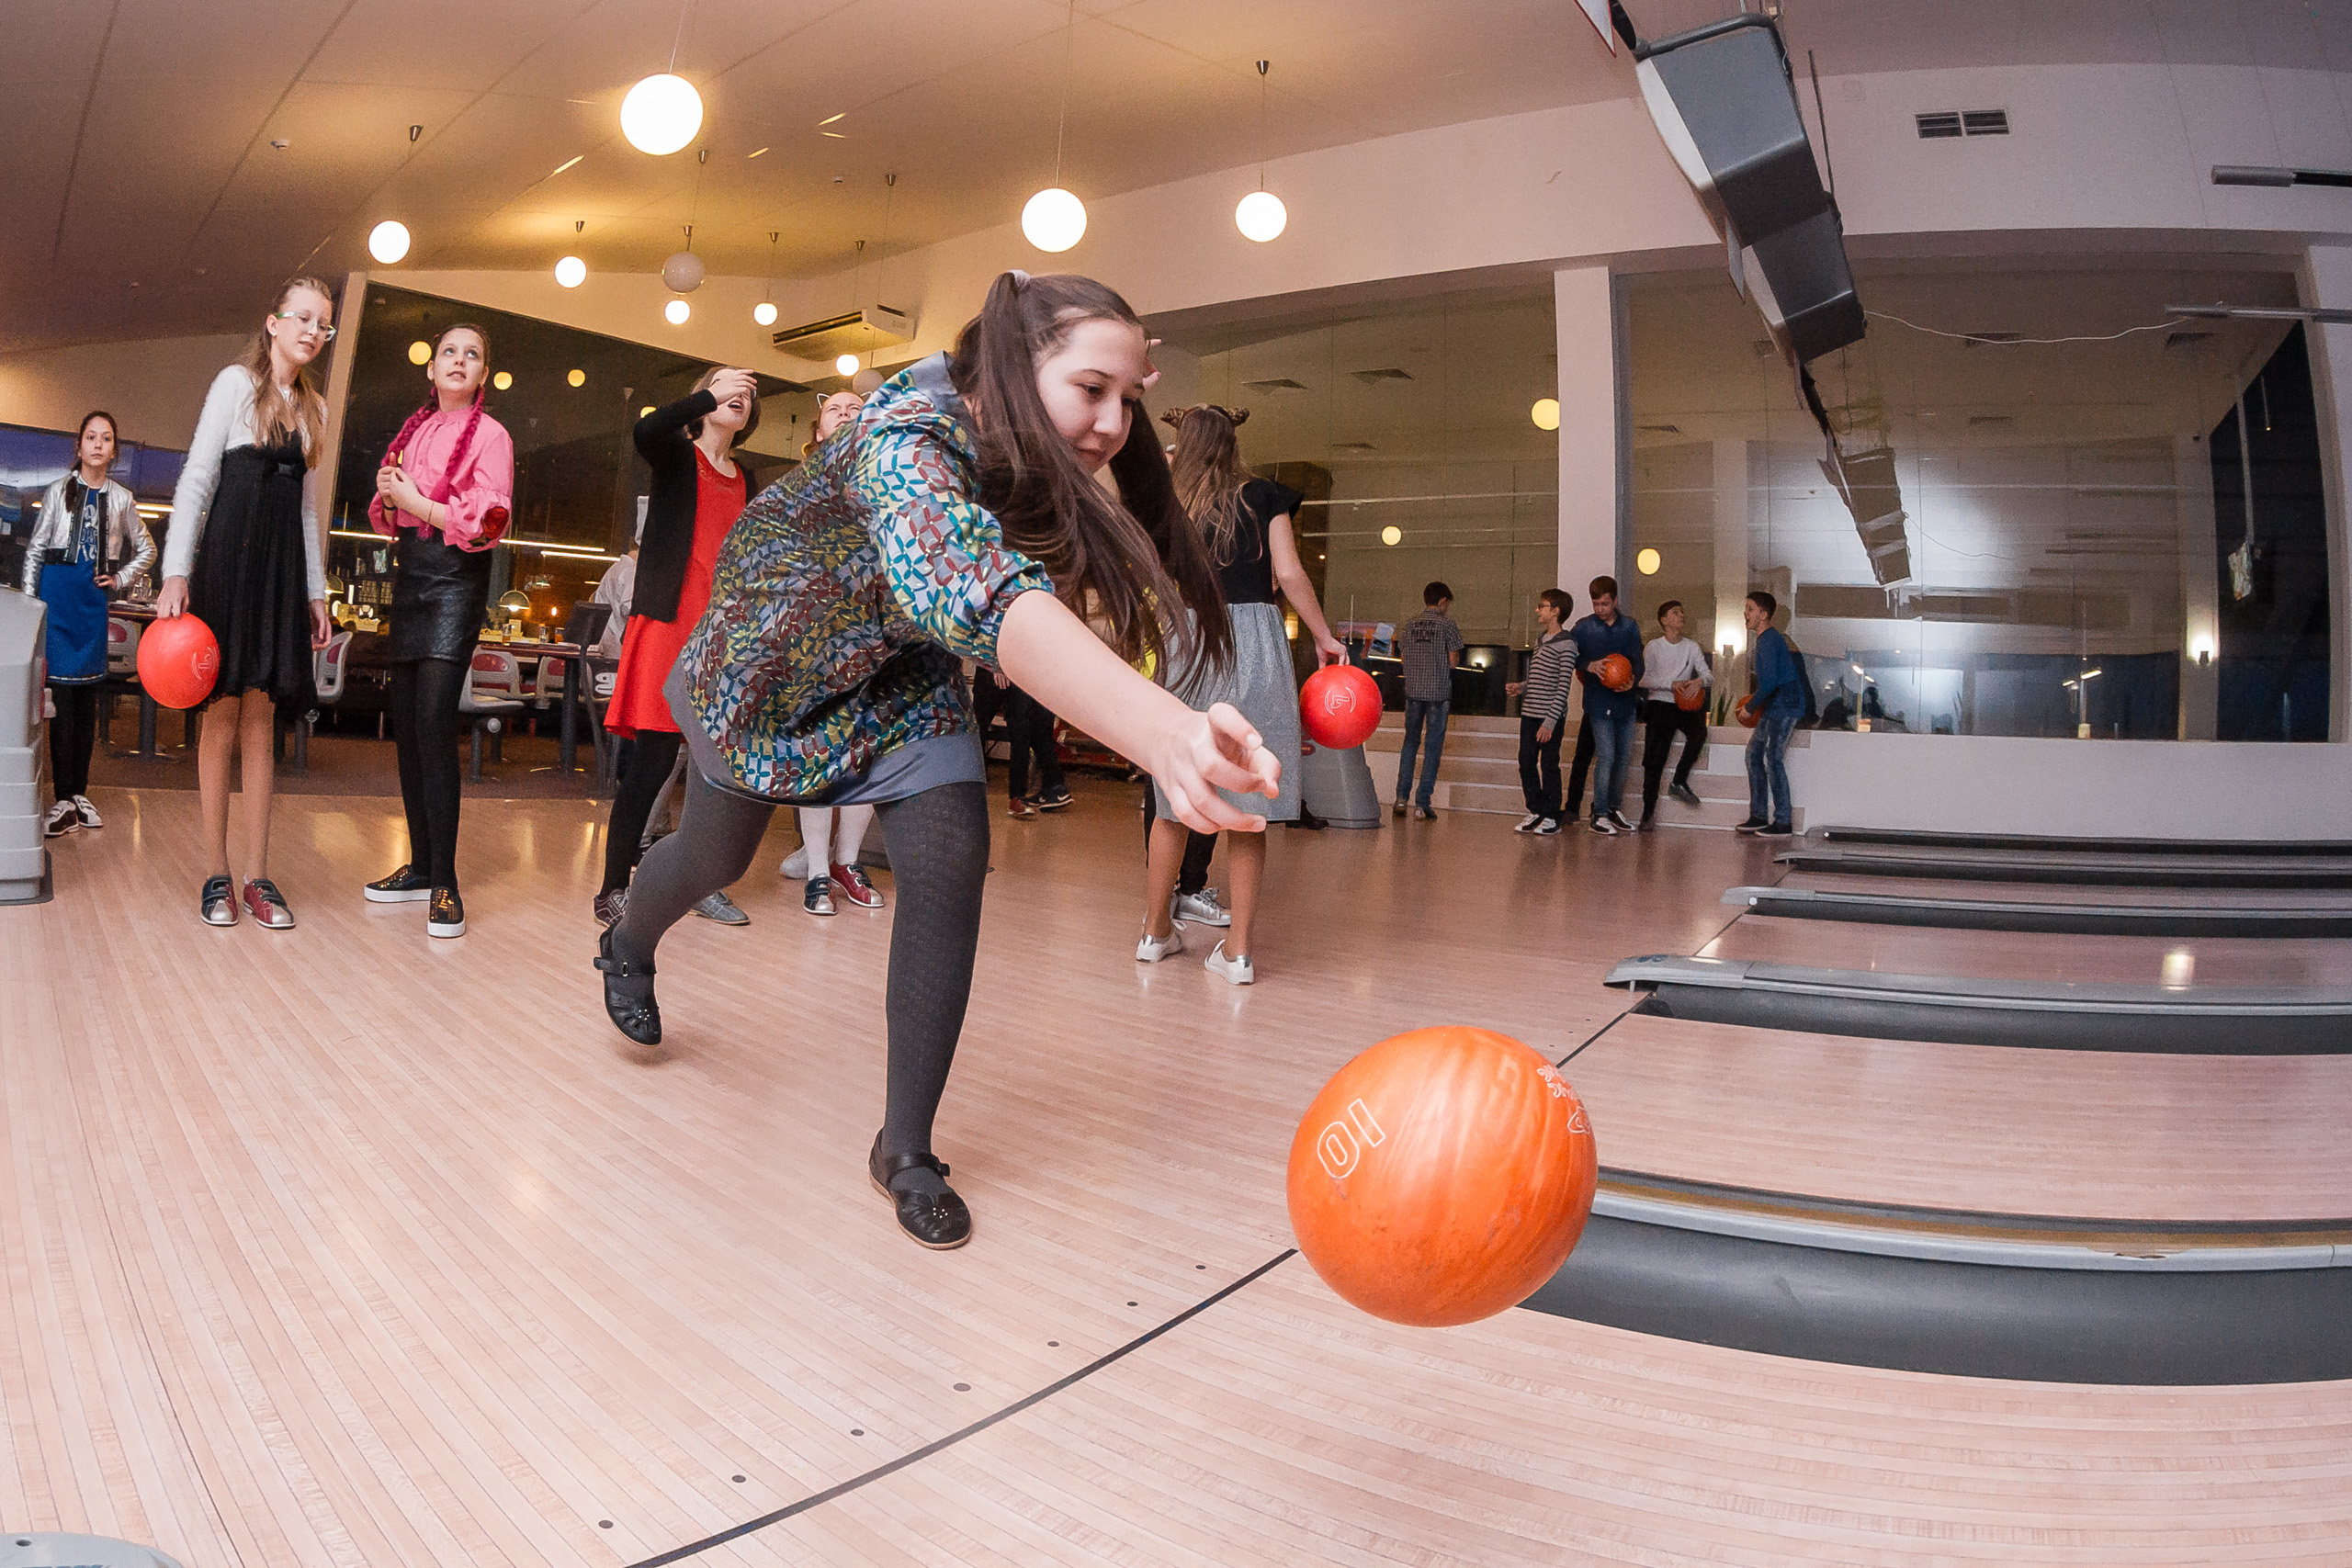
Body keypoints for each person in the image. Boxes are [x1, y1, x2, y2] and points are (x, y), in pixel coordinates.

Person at [593, 270, 1275, 1250]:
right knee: (714, 854)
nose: (1114, 422)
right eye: (1092, 389)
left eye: (1129, 398)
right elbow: (966, 583)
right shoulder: (903, 437)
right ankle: (628, 942)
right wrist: (1163, 733)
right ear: (1014, 365)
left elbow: (1004, 585)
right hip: (770, 674)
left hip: (899, 676)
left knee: (953, 861)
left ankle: (905, 1147)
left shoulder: (1018, 437)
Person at [1136, 403, 1343, 983]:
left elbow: (1147, 577)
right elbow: (1290, 572)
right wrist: (1323, 636)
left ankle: (1154, 932)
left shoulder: (1166, 499)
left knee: (1173, 796)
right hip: (1253, 639)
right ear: (1233, 443)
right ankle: (1239, 952)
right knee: (1252, 801)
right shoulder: (1264, 495)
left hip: (1185, 638)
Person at [155, 276, 335, 930]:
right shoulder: (234, 385)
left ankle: (258, 876)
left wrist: (315, 590)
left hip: (281, 576)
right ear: (273, 322)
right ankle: (216, 874)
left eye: (323, 324)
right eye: (302, 318)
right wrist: (176, 572)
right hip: (228, 568)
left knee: (263, 722)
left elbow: (307, 511)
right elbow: (197, 480)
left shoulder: (314, 409)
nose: (313, 331)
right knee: (222, 717)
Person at [594, 366, 763, 930]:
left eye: (748, 392)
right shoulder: (675, 456)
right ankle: (613, 888)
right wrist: (707, 396)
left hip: (721, 639)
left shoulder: (747, 478)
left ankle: (695, 883)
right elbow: (645, 431)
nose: (739, 395)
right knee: (654, 763)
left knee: (715, 772)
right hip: (669, 627)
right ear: (704, 397)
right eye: (728, 385)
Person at [359, 323, 514, 938]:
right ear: (432, 369)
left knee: (432, 721)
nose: (458, 360)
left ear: (482, 374)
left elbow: (487, 523)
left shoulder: (493, 435)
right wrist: (390, 496)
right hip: (411, 578)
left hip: (455, 582)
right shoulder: (416, 429)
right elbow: (393, 518)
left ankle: (446, 880)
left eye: (471, 354)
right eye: (449, 351)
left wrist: (416, 501)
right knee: (407, 727)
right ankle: (422, 866)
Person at [24, 411, 153, 838]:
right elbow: (36, 551)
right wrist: (32, 608)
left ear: (114, 450)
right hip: (56, 601)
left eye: (106, 438)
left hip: (92, 606)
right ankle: (61, 797)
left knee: (87, 703)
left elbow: (147, 550)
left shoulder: (123, 498)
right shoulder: (57, 490)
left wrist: (120, 578)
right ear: (78, 446)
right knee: (60, 701)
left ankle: (79, 793)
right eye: (91, 437)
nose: (98, 444)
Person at [1566, 575, 1644, 834]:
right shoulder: (1583, 628)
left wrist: (1633, 680)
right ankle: (1598, 814)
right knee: (1606, 756)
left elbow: (1638, 661)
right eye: (1596, 604)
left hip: (1625, 703)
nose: (1600, 609)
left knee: (1623, 758)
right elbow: (1567, 655)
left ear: (1615, 601)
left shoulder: (1629, 627)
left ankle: (1613, 808)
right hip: (1598, 703)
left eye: (1605, 604)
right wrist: (1588, 664)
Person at [1504, 587, 1574, 835]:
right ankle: (1535, 809)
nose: (1537, 610)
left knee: (1549, 764)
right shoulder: (1540, 640)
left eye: (1542, 606)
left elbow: (1563, 686)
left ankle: (1552, 814)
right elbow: (1538, 678)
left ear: (1555, 611)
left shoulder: (1567, 644)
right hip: (1530, 713)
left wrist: (1550, 722)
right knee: (1526, 761)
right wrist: (1521, 687)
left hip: (1549, 717)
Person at [1636, 598, 1712, 829]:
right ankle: (1647, 813)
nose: (1681, 616)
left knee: (1699, 733)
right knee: (1655, 759)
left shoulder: (1692, 647)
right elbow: (1644, 680)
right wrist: (1671, 684)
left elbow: (1708, 675)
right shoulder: (1653, 646)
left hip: (1684, 704)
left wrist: (1698, 681)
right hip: (1660, 703)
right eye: (1675, 612)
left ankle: (1679, 781)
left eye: (1681, 612)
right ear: (1664, 620)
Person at [1393, 581, 1462, 820]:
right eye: (1447, 604)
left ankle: (1401, 799)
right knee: (1432, 747)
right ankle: (1422, 804)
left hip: (1413, 691)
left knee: (1410, 743)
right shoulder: (1447, 624)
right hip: (1438, 693)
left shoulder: (1410, 624)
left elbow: (1403, 657)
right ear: (1442, 601)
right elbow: (1453, 659)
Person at [1738, 589, 1802, 837]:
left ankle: (1783, 821)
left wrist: (1748, 708)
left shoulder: (1769, 640)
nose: (1745, 613)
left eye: (1750, 609)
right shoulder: (1767, 640)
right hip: (1776, 705)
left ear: (1763, 615)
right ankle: (1758, 816)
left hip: (1785, 704)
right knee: (1754, 754)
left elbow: (1768, 684)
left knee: (1772, 758)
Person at [999, 674, 1070, 818]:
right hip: (1042, 678)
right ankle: (1054, 787)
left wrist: (997, 668)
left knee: (1022, 734)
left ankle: (1018, 797)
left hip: (1022, 677)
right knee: (1040, 733)